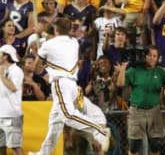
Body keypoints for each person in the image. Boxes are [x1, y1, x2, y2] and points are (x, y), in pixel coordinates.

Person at [29, 17, 109, 155]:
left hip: (61, 83)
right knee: (55, 124)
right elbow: (58, 48)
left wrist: (38, 54)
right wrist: (43, 37)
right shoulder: (74, 42)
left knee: (67, 116)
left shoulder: (48, 45)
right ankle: (43, 153)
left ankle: (99, 129)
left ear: (56, 29)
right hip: (72, 85)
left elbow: (36, 69)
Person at [115, 45, 165, 155]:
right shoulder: (134, 71)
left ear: (157, 58)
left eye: (155, 56)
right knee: (134, 146)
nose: (152, 58)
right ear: (144, 56)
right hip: (136, 111)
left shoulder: (160, 72)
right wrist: (122, 69)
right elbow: (120, 84)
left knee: (155, 145)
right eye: (149, 55)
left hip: (154, 111)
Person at [0, 44, 24, 155]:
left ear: (5, 56)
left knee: (15, 148)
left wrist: (2, 76)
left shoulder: (16, 70)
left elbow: (13, 87)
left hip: (12, 116)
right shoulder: (0, 71)